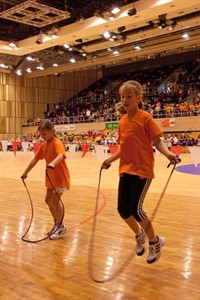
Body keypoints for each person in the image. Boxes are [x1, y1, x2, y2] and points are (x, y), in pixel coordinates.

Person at [101, 80, 180, 264]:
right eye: (122, 96)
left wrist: (169, 155)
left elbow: (157, 141)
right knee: (123, 210)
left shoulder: (146, 118)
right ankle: (139, 234)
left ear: (138, 98)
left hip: (142, 170)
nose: (125, 99)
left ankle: (155, 241)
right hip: (125, 169)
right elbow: (123, 147)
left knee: (136, 209)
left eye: (129, 96)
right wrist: (110, 160)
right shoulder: (122, 121)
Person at [21, 119, 70, 240]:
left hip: (60, 177)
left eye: (45, 134)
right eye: (41, 134)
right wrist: (26, 172)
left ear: (53, 131)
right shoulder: (44, 145)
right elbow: (35, 159)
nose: (43, 137)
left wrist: (52, 163)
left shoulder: (57, 142)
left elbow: (61, 155)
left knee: (54, 200)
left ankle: (61, 226)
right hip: (50, 178)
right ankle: (57, 223)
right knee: (48, 200)